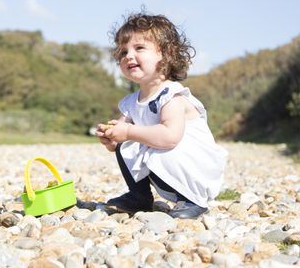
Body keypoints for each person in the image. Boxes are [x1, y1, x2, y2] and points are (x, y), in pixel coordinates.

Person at [96, 12, 228, 219]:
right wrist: (111, 138)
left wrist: (128, 131)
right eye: (123, 51)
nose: (128, 56)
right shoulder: (131, 102)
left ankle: (193, 201)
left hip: (193, 170)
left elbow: (169, 136)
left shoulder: (172, 95)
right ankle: (139, 196)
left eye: (139, 48)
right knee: (126, 144)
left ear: (165, 54)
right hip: (164, 164)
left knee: (142, 139)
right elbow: (121, 140)